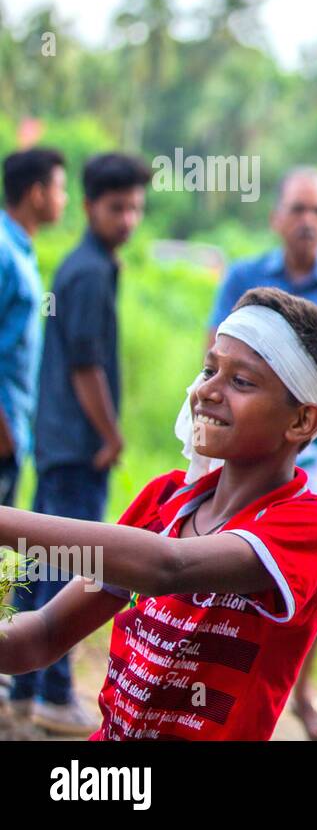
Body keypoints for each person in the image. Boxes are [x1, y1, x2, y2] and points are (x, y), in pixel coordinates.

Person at [0, 288, 317, 740]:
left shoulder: (313, 525)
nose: (206, 390)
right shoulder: (165, 499)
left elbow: (168, 567)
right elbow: (44, 634)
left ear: (302, 421)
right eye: (210, 370)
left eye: (241, 382)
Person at [208, 165, 317, 739]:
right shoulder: (246, 275)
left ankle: (296, 689)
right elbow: (218, 348)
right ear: (277, 216)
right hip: (245, 444)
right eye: (298, 209)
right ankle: (216, 673)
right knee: (217, 552)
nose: (308, 221)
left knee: (314, 573)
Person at [9, 152, 148, 735]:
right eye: (117, 207)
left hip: (59, 443)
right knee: (74, 567)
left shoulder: (83, 266)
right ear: (90, 207)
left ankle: (25, 692)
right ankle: (50, 691)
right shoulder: (88, 272)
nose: (128, 219)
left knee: (44, 560)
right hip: (78, 447)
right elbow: (87, 366)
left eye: (137, 208)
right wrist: (112, 435)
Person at [0, 148, 68, 507]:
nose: (65, 199)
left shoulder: (20, 250)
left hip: (14, 428)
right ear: (37, 193)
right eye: (60, 189)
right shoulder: (3, 251)